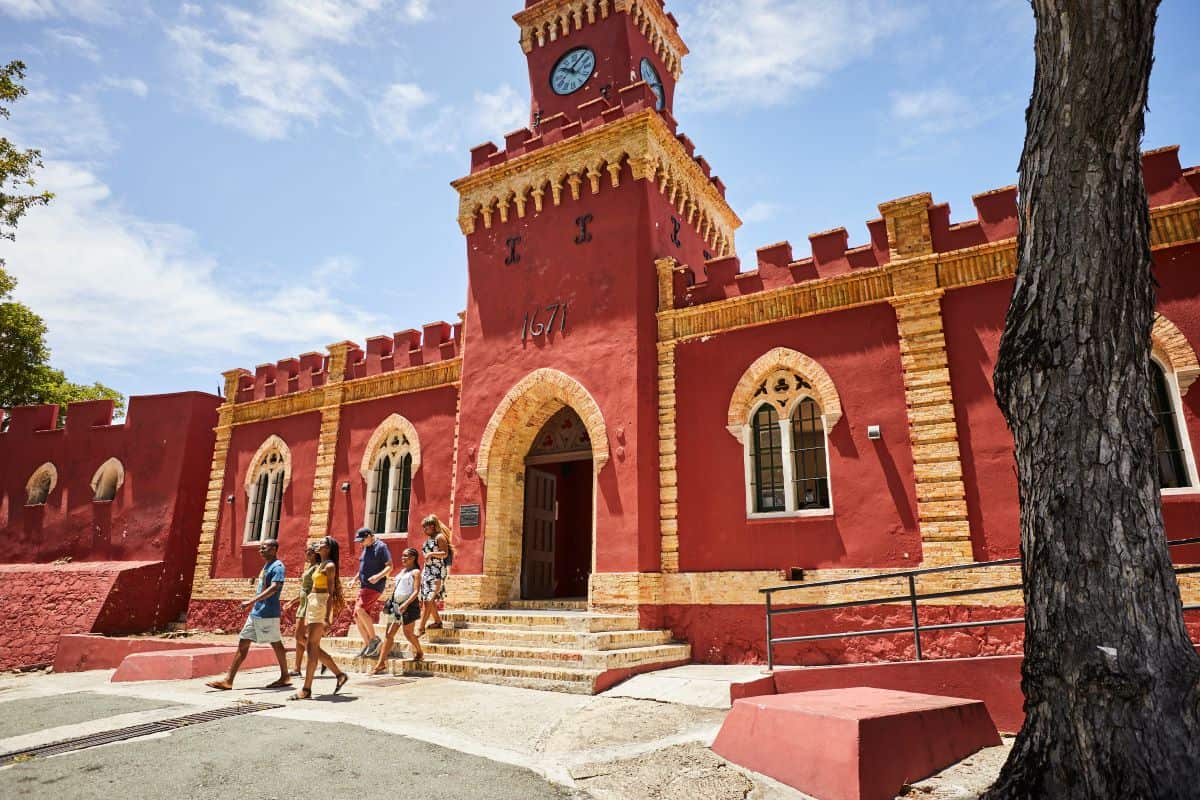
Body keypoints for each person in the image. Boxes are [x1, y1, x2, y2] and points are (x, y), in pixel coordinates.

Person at [206, 539, 291, 691]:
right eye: (260, 548)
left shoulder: (278, 567)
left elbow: (274, 588)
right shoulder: (267, 565)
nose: (261, 550)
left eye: (264, 547)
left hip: (267, 612)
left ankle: (285, 676)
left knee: (275, 643)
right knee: (245, 642)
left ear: (274, 549)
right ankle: (228, 680)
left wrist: (251, 601)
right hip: (258, 612)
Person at [290, 536, 350, 700]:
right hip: (313, 603)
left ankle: (307, 689)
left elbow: (330, 593)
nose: (318, 544)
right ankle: (339, 675)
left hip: (321, 604)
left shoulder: (329, 566)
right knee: (312, 646)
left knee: (311, 647)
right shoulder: (320, 565)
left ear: (328, 548)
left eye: (322, 543)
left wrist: (326, 617)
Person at [371, 547, 424, 675]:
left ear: (413, 558)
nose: (403, 558)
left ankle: (419, 652)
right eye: (402, 556)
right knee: (389, 634)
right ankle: (380, 664)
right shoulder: (402, 572)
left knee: (408, 633)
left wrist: (405, 604)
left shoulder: (416, 572)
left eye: (406, 556)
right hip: (395, 605)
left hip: (408, 604)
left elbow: (416, 591)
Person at [353, 527, 392, 659]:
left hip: (374, 586)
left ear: (370, 535)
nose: (361, 543)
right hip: (364, 586)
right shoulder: (366, 548)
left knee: (360, 609)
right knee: (357, 616)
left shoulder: (381, 547)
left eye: (362, 540)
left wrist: (378, 576)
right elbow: (363, 567)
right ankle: (368, 644)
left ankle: (374, 639)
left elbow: (389, 566)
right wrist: (354, 579)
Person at [416, 514, 452, 636]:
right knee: (427, 599)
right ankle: (437, 621)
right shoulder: (430, 538)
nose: (424, 530)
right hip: (427, 572)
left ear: (432, 526)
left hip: (437, 571)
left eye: (425, 528)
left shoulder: (440, 537)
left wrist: (431, 554)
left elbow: (445, 554)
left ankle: (421, 628)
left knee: (429, 599)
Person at [290, 542, 321, 677]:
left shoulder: (317, 568)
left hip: (308, 605)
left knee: (298, 636)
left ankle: (322, 657)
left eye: (308, 551)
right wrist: (292, 601)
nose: (306, 554)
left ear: (314, 553)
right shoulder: (309, 567)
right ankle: (297, 668)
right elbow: (304, 589)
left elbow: (314, 589)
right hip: (302, 604)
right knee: (299, 638)